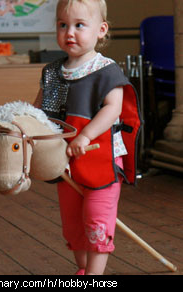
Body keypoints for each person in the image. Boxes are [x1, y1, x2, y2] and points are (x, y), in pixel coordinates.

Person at [33, 0, 142, 275]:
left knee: (97, 220)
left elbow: (113, 108)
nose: (70, 32)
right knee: (72, 222)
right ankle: (83, 269)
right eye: (63, 25)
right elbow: (38, 110)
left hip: (100, 158)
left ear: (101, 30)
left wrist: (86, 135)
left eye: (79, 25)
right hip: (66, 161)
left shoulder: (107, 70)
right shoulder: (53, 73)